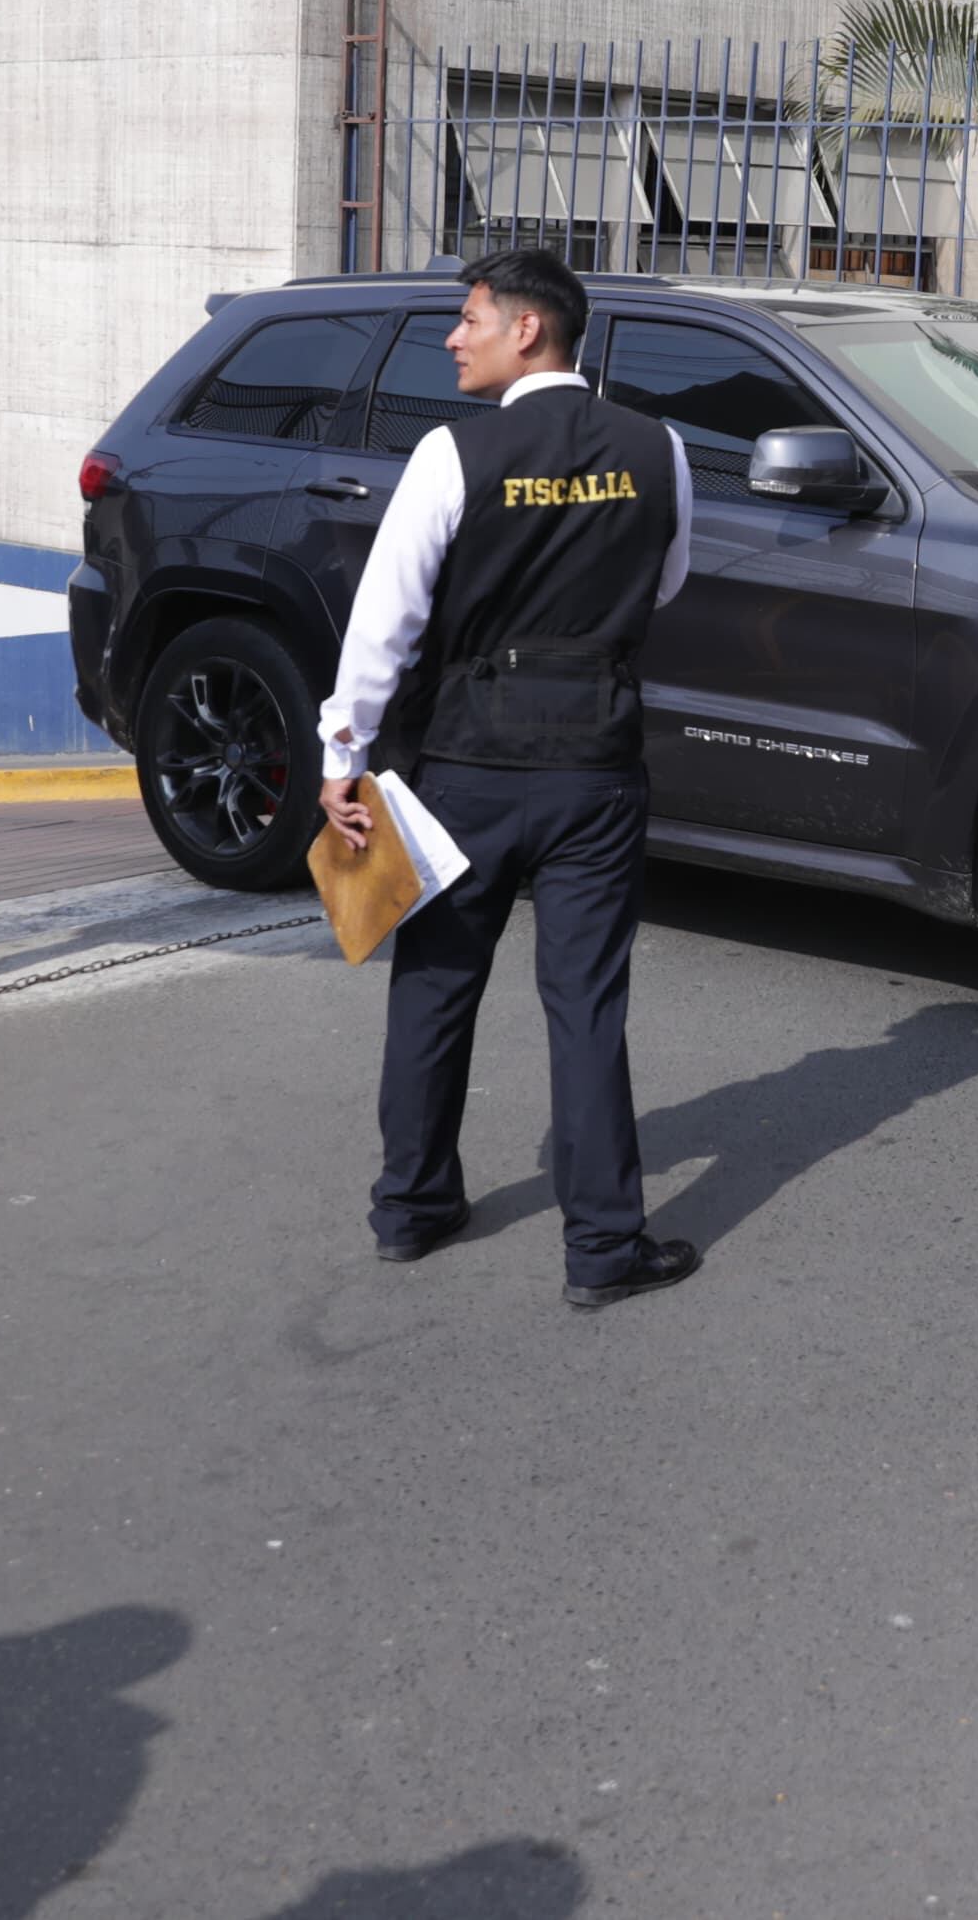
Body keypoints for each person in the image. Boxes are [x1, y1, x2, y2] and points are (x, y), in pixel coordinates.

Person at [317, 248, 707, 1310]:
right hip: (594, 762)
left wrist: (340, 757)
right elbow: (665, 583)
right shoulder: (657, 447)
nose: (454, 336)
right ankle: (602, 1250)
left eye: (470, 318)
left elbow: (385, 618)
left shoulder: (453, 454)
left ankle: (411, 1208)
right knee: (585, 1004)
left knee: (436, 982)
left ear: (527, 330)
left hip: (467, 764)